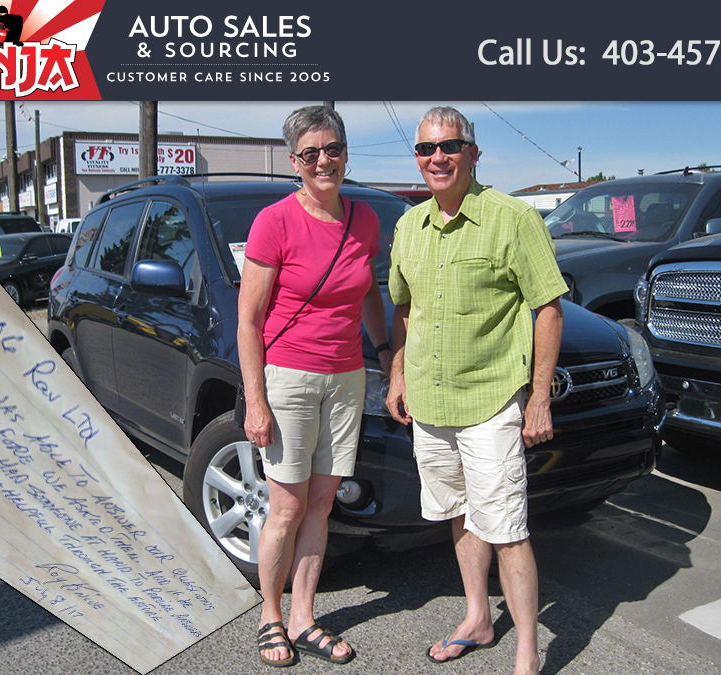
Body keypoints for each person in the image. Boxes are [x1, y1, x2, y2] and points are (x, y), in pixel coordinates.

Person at [386, 107, 567, 675]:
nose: (437, 158)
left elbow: (548, 308)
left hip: (491, 402)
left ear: (473, 153)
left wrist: (538, 398)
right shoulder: (408, 227)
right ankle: (478, 618)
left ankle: (526, 655)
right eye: (425, 149)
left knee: (507, 528)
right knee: (460, 515)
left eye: (450, 146)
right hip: (431, 405)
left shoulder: (512, 219)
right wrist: (398, 375)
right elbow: (404, 308)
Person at [238, 105, 392, 667]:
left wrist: (383, 351)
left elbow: (370, 293)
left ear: (346, 152)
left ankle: (304, 617)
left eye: (332, 149)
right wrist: (256, 400)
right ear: (294, 161)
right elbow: (248, 320)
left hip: (346, 376)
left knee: (322, 504)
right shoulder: (274, 222)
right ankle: (270, 616)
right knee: (286, 507)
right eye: (311, 153)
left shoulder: (366, 220)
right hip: (290, 378)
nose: (323, 161)